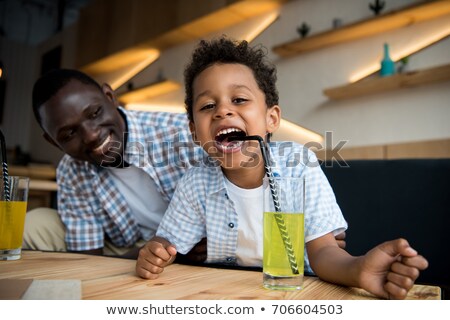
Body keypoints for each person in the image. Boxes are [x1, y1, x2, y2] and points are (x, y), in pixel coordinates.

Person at [135, 37, 428, 299]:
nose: (222, 111)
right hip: (227, 295)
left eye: (239, 99)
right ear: (195, 133)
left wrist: (357, 269)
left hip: (297, 294)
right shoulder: (195, 182)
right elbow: (170, 243)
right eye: (207, 106)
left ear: (271, 119)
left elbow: (324, 251)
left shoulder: (298, 165)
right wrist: (156, 251)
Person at [24, 68, 208, 259]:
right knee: (33, 225)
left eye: (94, 113)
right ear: (53, 142)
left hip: (194, 239)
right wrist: (164, 252)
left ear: (110, 97)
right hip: (132, 247)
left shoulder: (184, 135)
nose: (91, 135)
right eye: (69, 134)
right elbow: (88, 257)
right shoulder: (71, 170)